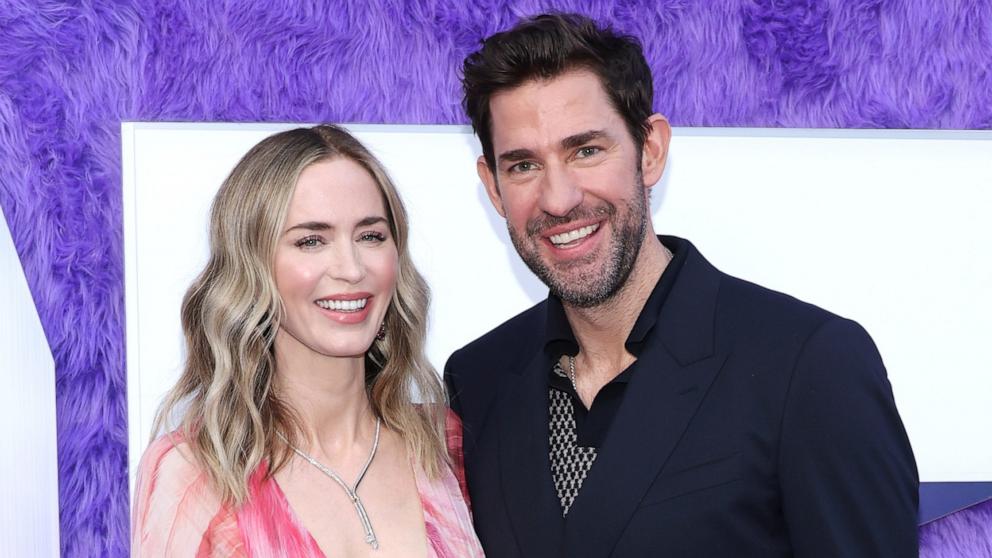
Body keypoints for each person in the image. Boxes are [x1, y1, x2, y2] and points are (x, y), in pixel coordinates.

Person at [445, 13, 918, 557]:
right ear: (494, 187)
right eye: (524, 165)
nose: (558, 198)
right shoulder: (478, 379)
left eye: (587, 150)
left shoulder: (808, 364)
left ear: (650, 150)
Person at [132, 125, 484, 557]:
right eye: (311, 240)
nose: (351, 268)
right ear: (253, 264)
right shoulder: (196, 473)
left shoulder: (446, 442)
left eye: (370, 235)